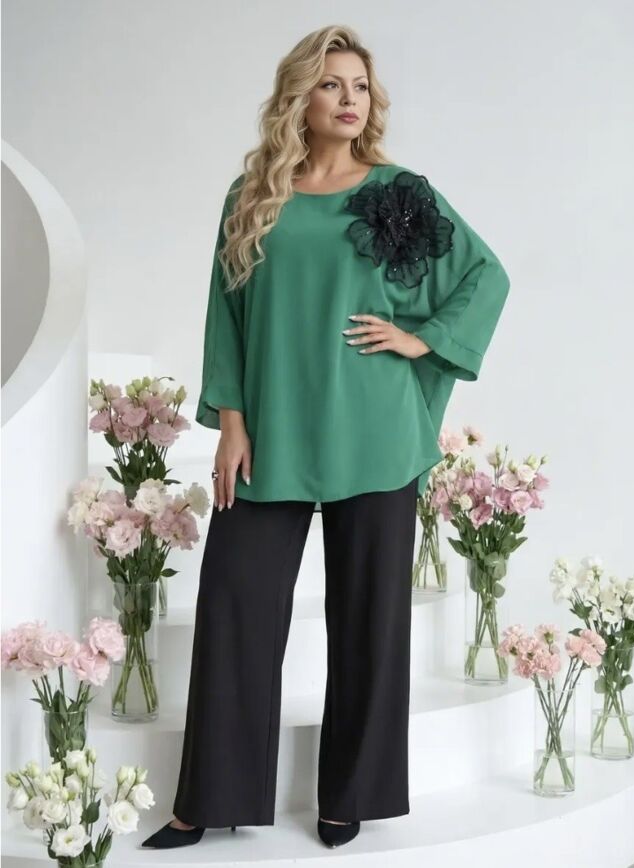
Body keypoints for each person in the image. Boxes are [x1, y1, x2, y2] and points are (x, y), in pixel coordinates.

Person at [141, 23, 510, 851]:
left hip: (374, 431)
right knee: (235, 606)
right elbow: (227, 315)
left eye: (360, 86)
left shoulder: (397, 191)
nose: (350, 100)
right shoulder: (253, 196)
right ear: (299, 98)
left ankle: (350, 796)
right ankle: (207, 800)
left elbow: (484, 274)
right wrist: (231, 423)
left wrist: (421, 338)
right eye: (331, 84)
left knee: (371, 621)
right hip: (272, 432)